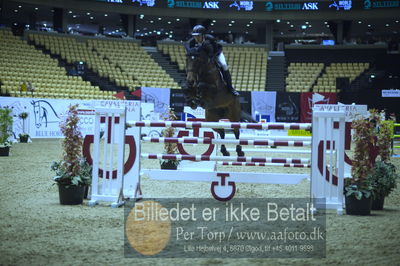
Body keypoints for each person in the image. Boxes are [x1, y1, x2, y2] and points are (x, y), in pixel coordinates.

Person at [187, 25, 239, 96]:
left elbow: (212, 53)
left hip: (216, 54)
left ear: (203, 35)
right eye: (195, 36)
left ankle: (230, 88)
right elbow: (190, 51)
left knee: (224, 66)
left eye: (198, 36)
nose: (196, 38)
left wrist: (210, 59)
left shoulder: (210, 39)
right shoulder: (192, 42)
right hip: (203, 56)